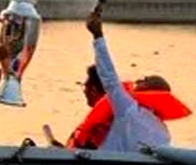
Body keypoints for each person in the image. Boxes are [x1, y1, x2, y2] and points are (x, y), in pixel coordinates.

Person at [76, 9, 177, 152]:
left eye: (144, 80)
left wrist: (97, 35)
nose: (138, 80)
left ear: (151, 92)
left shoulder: (129, 109)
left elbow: (109, 77)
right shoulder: (163, 131)